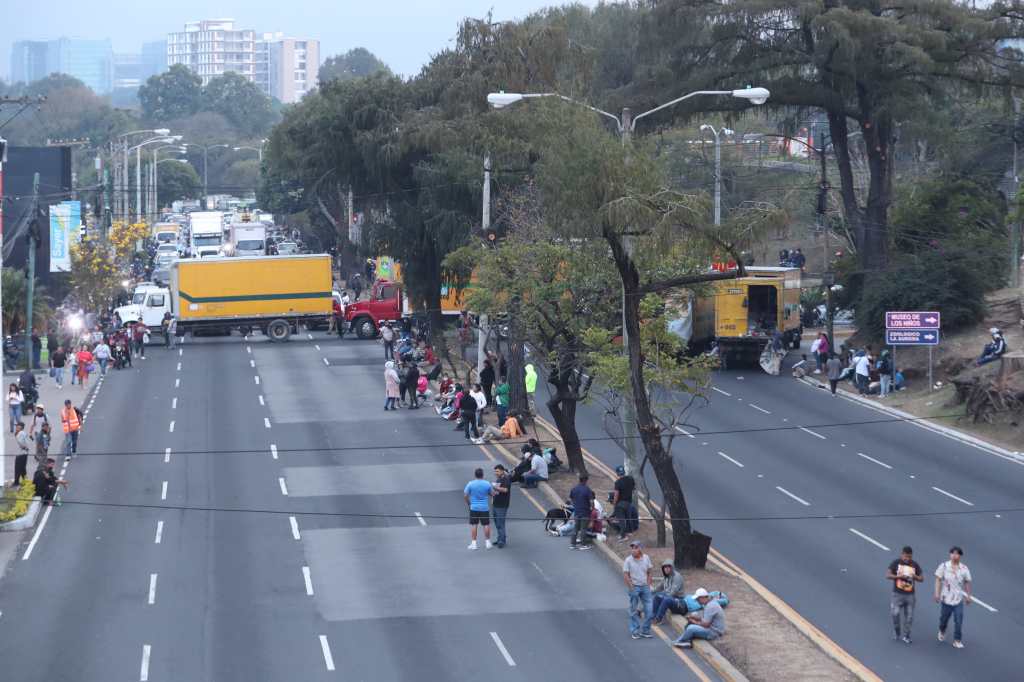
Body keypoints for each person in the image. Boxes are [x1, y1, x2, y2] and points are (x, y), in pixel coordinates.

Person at [935, 546, 972, 649]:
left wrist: (968, 596)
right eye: (952, 553)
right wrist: (937, 593)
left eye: (957, 554)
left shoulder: (964, 569)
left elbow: (967, 582)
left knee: (959, 619)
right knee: (944, 620)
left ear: (960, 556)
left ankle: (957, 640)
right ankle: (942, 630)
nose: (954, 555)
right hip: (946, 599)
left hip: (958, 599)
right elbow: (938, 579)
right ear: (950, 554)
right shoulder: (944, 566)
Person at [887, 545, 923, 644]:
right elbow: (888, 575)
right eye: (906, 556)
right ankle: (897, 630)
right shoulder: (896, 563)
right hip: (897, 594)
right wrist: (898, 576)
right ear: (902, 554)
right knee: (895, 613)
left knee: (909, 617)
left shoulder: (914, 565)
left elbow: (921, 578)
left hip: (910, 595)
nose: (907, 559)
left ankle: (907, 635)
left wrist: (914, 576)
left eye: (909, 557)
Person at [623, 541, 654, 639]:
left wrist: (648, 585)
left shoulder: (646, 558)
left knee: (649, 610)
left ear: (640, 548)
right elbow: (626, 575)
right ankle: (635, 630)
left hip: (645, 587)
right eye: (632, 548)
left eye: (635, 548)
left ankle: (645, 630)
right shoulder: (628, 560)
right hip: (634, 587)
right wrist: (631, 588)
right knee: (633, 610)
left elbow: (649, 572)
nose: (633, 550)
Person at [463, 468, 493, 550]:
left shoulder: (470, 484)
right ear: (482, 475)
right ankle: (488, 543)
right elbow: (492, 493)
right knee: (486, 525)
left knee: (474, 525)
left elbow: (465, 495)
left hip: (474, 507)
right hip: (484, 508)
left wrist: (469, 503)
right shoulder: (487, 484)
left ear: (475, 475)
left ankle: (474, 543)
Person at [652, 560, 687, 624]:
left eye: (668, 567)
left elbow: (673, 592)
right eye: (665, 567)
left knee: (666, 599)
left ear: (672, 568)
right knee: (657, 597)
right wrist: (651, 591)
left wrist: (663, 595)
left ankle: (658, 619)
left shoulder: (677, 577)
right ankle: (653, 616)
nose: (666, 569)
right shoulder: (666, 577)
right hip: (669, 597)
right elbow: (659, 587)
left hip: (678, 601)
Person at [569, 474, 595, 550]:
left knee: (575, 528)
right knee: (583, 528)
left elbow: (571, 500)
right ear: (585, 480)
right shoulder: (587, 489)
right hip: (585, 511)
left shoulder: (574, 489)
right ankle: (583, 544)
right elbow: (591, 501)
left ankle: (572, 544)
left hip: (577, 511)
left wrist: (575, 505)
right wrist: (592, 508)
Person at [611, 465, 636, 542]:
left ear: (618, 473)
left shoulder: (618, 483)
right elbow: (634, 488)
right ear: (624, 472)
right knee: (628, 517)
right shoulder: (630, 479)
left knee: (621, 520)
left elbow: (616, 495)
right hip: (628, 502)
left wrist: (614, 504)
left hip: (620, 504)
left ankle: (623, 536)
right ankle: (629, 532)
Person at [491, 464, 512, 548]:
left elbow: (505, 490)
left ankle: (502, 541)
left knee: (500, 523)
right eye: (495, 471)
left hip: (502, 505)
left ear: (502, 471)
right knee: (497, 523)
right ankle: (500, 538)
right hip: (495, 504)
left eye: (497, 471)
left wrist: (495, 487)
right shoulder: (499, 479)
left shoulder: (506, 479)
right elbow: (498, 491)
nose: (496, 473)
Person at [13, 421, 30, 487]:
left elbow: (21, 443)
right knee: (22, 468)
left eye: (17, 426)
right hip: (24, 453)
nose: (16, 427)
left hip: (21, 453)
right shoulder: (23, 433)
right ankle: (25, 481)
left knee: (18, 468)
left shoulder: (20, 433)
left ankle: (16, 482)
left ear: (21, 427)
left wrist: (24, 447)